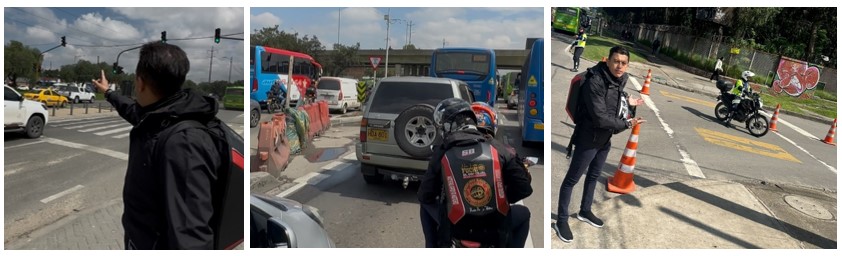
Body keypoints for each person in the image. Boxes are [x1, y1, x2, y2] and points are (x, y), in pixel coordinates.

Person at [92, 42, 225, 249]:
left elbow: (191, 236)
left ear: (140, 83)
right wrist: (108, 92)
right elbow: (131, 110)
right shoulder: (163, 113)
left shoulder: (184, 143)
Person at [553, 46, 646, 243]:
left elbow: (614, 102)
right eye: (616, 61)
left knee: (594, 176)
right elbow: (600, 118)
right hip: (589, 138)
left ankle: (585, 211)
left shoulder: (618, 80)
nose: (620, 66)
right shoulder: (595, 81)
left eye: (623, 63)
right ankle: (561, 220)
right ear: (608, 60)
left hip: (605, 139)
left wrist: (629, 103)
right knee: (572, 179)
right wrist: (627, 123)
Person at [419, 98, 532, 248]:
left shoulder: (441, 152)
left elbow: (425, 195)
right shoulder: (498, 148)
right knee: (524, 213)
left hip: (455, 231)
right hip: (496, 231)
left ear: (447, 126)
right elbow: (524, 188)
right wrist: (501, 198)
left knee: (424, 206)